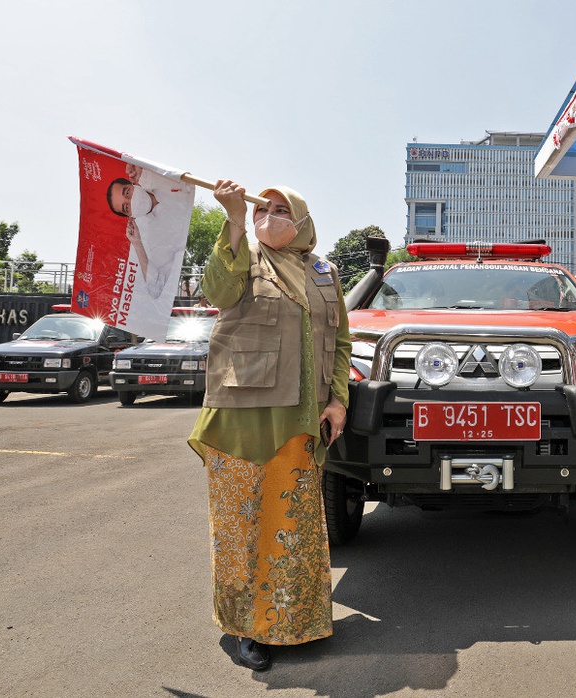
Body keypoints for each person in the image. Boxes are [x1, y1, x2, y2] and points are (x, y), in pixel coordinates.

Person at [187, 181, 351, 672]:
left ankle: (297, 621)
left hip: (302, 421)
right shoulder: (244, 256)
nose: (270, 216)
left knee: (295, 526)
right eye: (264, 208)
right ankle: (247, 629)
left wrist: (338, 400)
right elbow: (217, 290)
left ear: (301, 223)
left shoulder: (325, 272)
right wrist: (235, 219)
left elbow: (340, 340)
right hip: (243, 418)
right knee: (243, 526)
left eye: (282, 210)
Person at [106, 164, 194, 300]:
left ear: (133, 184)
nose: (132, 201)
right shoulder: (151, 238)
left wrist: (139, 166)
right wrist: (138, 245)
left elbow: (188, 179)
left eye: (127, 193)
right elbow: (155, 289)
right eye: (126, 207)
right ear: (130, 215)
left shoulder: (153, 177)